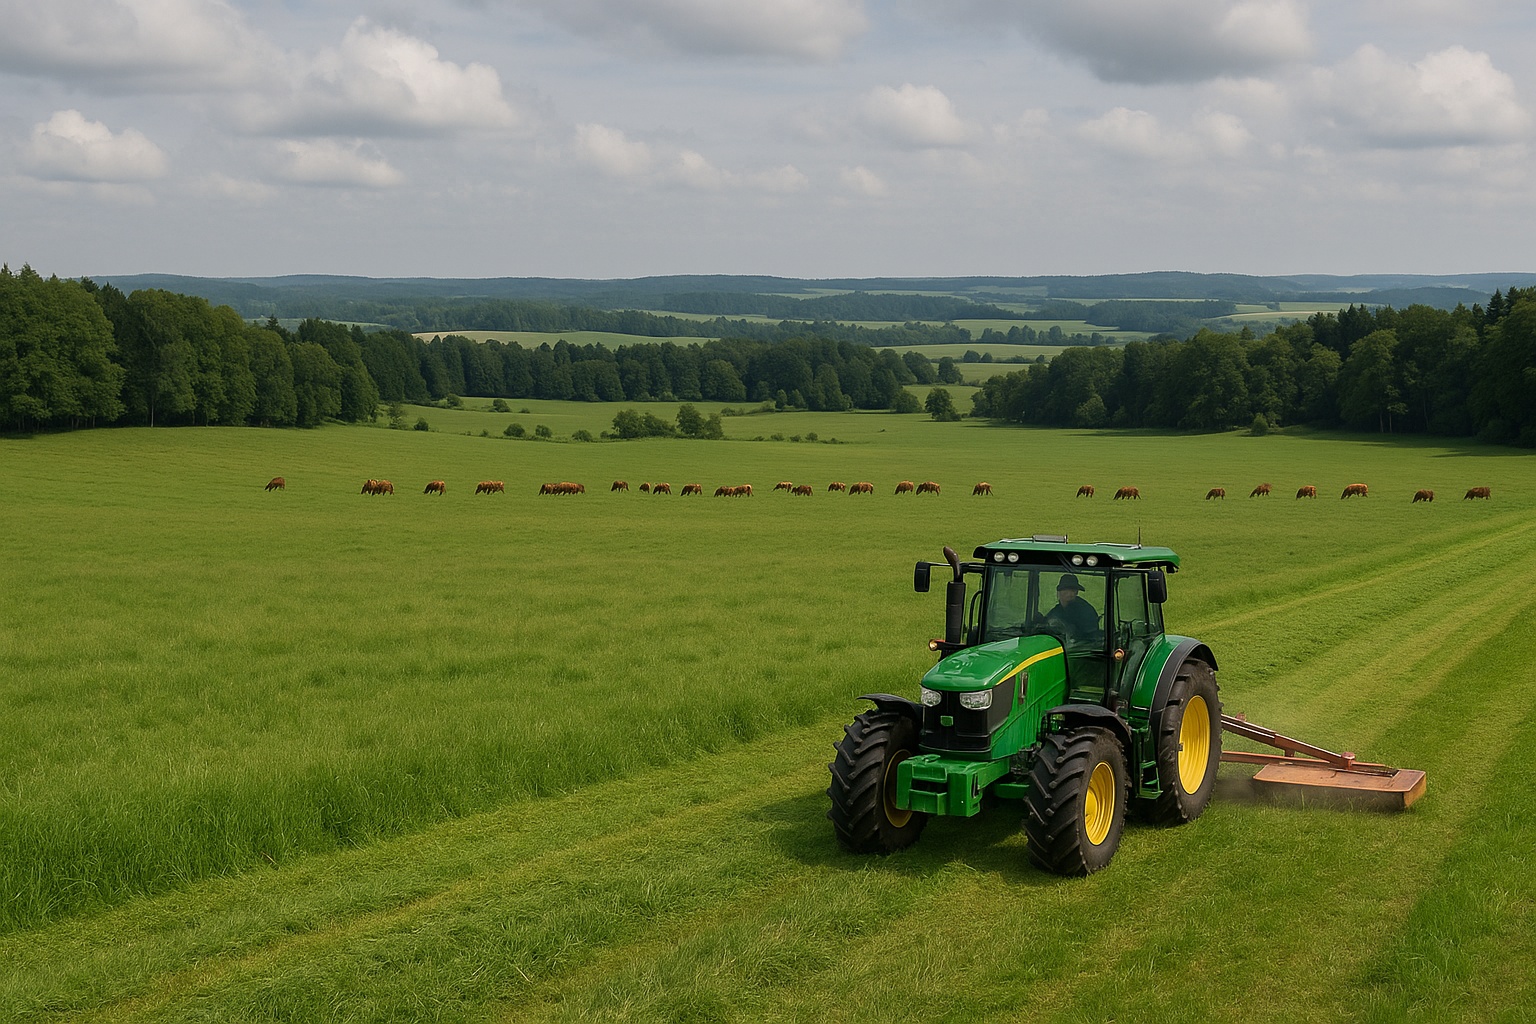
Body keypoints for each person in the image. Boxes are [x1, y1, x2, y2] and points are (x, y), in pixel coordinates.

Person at [1045, 573, 1099, 640]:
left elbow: (1090, 637)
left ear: (1076, 592)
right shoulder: (1056, 611)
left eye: (1072, 590)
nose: (1069, 594)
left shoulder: (1086, 611)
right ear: (1059, 592)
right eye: (1065, 590)